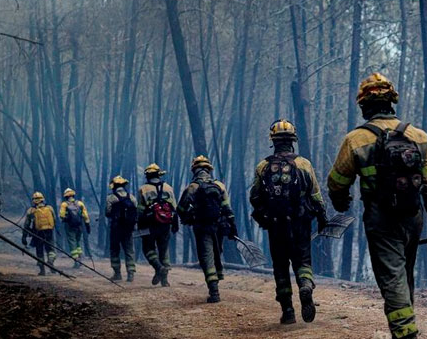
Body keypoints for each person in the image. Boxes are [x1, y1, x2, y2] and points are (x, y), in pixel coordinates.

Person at [327, 73, 427, 339]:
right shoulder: (418, 136)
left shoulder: (356, 140)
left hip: (381, 219)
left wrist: (341, 201)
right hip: (413, 217)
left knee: (393, 281)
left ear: (364, 106)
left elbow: (337, 182)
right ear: (391, 102)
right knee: (404, 277)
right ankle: (404, 338)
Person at [249, 120, 329, 324]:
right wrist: (322, 217)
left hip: (276, 224)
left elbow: (255, 197)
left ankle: (288, 311)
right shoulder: (303, 164)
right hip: (300, 222)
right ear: (293, 141)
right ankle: (305, 285)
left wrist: (265, 216)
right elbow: (316, 195)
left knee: (280, 265)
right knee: (303, 261)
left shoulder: (263, 166)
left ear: (273, 141)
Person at [179, 155, 238, 303]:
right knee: (217, 253)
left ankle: (214, 292)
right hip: (219, 226)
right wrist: (233, 227)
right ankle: (217, 277)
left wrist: (188, 217)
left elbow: (180, 208)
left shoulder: (193, 187)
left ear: (194, 170)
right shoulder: (219, 185)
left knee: (206, 256)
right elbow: (227, 208)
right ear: (208, 170)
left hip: (202, 227)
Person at [137, 163, 179, 287]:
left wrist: (139, 224)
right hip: (165, 224)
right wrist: (175, 223)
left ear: (147, 176)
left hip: (149, 224)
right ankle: (164, 280)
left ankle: (159, 267)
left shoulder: (143, 189)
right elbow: (174, 207)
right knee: (163, 250)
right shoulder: (168, 187)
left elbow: (140, 209)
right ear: (158, 175)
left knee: (148, 249)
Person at [105, 175, 138, 282]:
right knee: (129, 250)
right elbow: (136, 212)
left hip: (116, 229)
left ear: (114, 186)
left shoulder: (111, 198)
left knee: (114, 250)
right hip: (128, 229)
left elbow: (107, 212)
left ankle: (117, 273)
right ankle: (131, 273)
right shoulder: (132, 197)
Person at [21, 191, 57, 276]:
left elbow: (26, 225)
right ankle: (51, 262)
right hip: (49, 232)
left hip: (37, 233)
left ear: (33, 200)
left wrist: (24, 237)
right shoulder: (50, 208)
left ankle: (42, 271)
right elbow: (54, 220)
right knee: (51, 250)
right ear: (42, 199)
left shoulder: (31, 211)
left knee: (39, 251)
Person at [58, 187, 91, 269]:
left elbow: (61, 215)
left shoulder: (64, 204)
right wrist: (87, 225)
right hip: (79, 225)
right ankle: (80, 258)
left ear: (66, 196)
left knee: (72, 242)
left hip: (70, 226)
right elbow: (85, 215)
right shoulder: (80, 203)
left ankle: (76, 261)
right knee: (78, 241)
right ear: (73, 195)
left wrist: (66, 219)